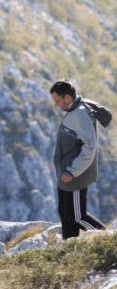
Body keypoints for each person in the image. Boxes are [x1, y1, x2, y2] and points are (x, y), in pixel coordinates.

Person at [50, 80, 106, 240]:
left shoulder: (80, 113)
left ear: (67, 97)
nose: (57, 105)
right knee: (65, 214)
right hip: (66, 174)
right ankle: (69, 248)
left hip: (74, 175)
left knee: (77, 216)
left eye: (58, 101)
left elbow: (90, 146)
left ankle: (107, 238)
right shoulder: (74, 111)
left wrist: (73, 171)